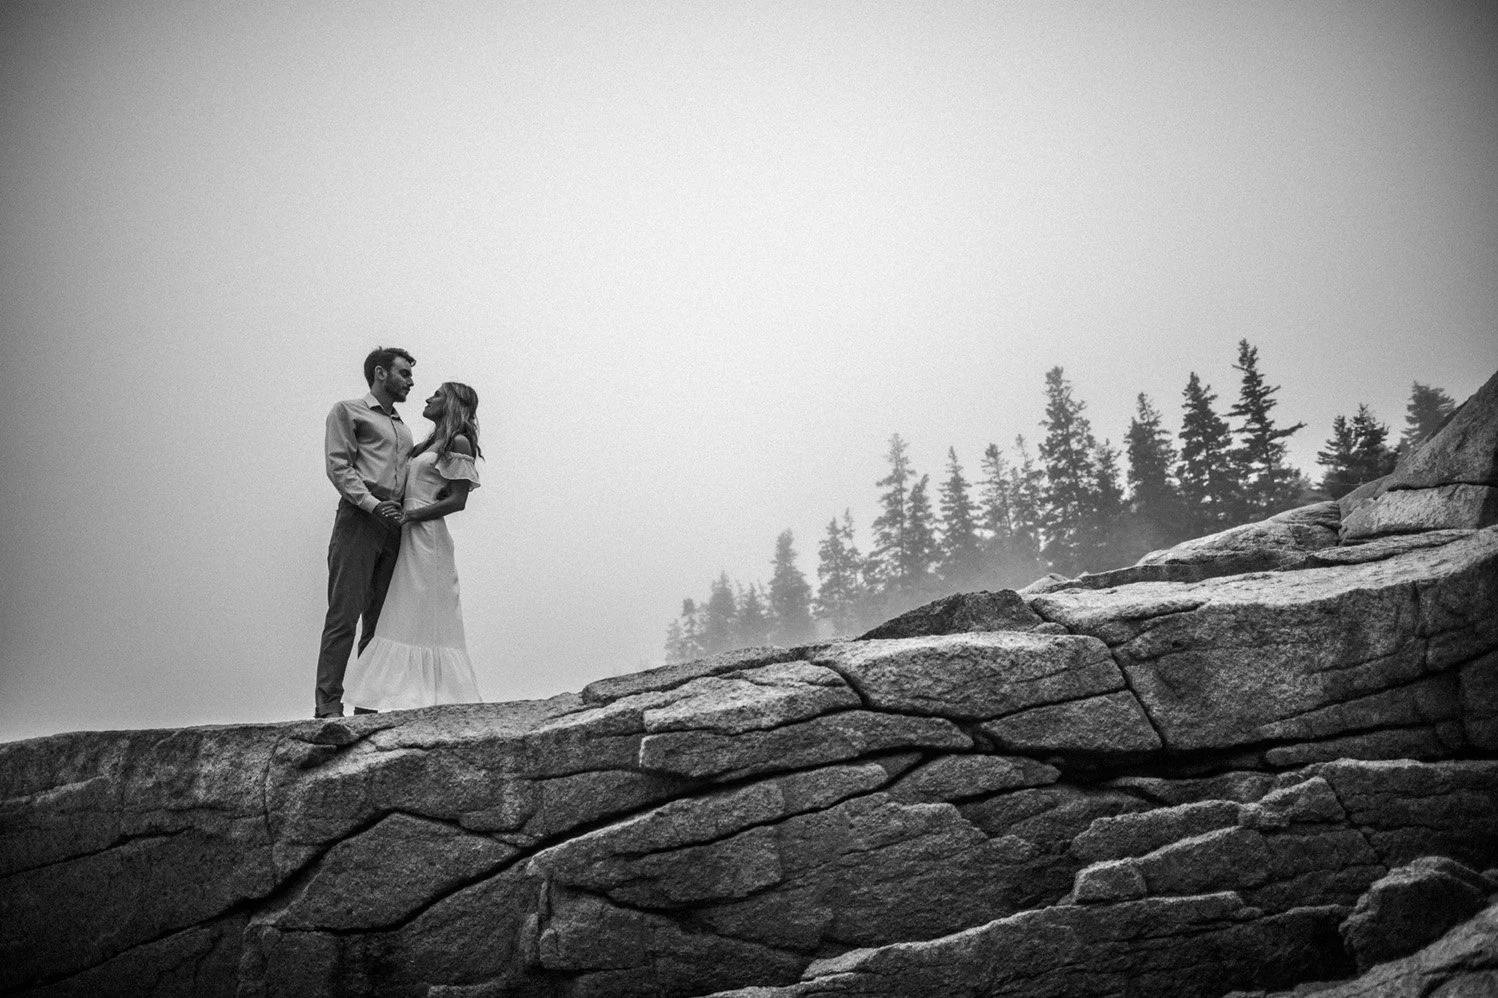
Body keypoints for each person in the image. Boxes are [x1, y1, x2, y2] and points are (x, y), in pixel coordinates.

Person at [343, 381, 484, 712]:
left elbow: (458, 500)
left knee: (419, 615)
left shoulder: (458, 442)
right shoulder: (427, 444)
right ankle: (372, 700)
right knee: (396, 614)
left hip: (427, 540)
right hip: (407, 532)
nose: (428, 398)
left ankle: (435, 699)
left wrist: (412, 515)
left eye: (438, 395)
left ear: (452, 403)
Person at [316, 347, 416, 718]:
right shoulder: (348, 411)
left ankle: (366, 708)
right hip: (360, 518)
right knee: (344, 614)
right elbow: (339, 467)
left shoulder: (404, 429)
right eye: (404, 373)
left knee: (379, 623)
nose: (411, 381)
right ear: (380, 373)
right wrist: (373, 504)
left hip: (394, 525)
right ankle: (328, 705)